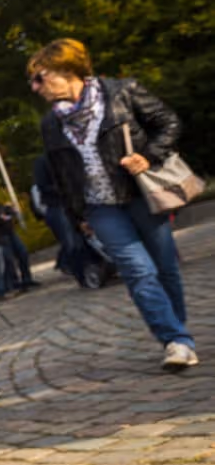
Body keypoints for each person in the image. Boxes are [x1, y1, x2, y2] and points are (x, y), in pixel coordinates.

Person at [28, 37, 196, 370]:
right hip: (100, 208)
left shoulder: (121, 92)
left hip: (141, 195)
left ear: (67, 70)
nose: (35, 87)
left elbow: (168, 123)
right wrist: (78, 216)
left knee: (165, 268)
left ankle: (178, 333)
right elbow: (62, 175)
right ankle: (174, 340)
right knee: (138, 271)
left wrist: (148, 156)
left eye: (40, 77)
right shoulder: (51, 123)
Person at [31, 153, 85, 283]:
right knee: (70, 241)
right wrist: (65, 188)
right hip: (56, 205)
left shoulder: (65, 157)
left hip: (69, 203)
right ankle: (78, 272)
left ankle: (75, 266)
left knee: (79, 239)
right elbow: (42, 186)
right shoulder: (43, 161)